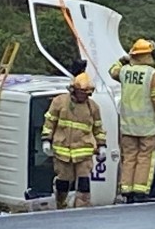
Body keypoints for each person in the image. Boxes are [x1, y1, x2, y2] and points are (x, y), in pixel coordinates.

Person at [109, 38, 155, 203]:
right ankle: (140, 191)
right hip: (147, 126)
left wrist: (123, 59)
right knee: (145, 157)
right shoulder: (154, 75)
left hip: (127, 125)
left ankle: (126, 189)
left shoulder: (124, 72)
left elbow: (112, 70)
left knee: (129, 157)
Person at [40, 72, 108, 209]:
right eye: (80, 92)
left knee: (84, 183)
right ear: (73, 90)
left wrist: (102, 145)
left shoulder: (93, 107)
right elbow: (50, 122)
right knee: (63, 182)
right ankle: (61, 204)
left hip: (84, 153)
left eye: (86, 92)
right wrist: (46, 140)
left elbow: (98, 128)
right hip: (62, 152)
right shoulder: (59, 102)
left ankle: (81, 209)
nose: (83, 95)